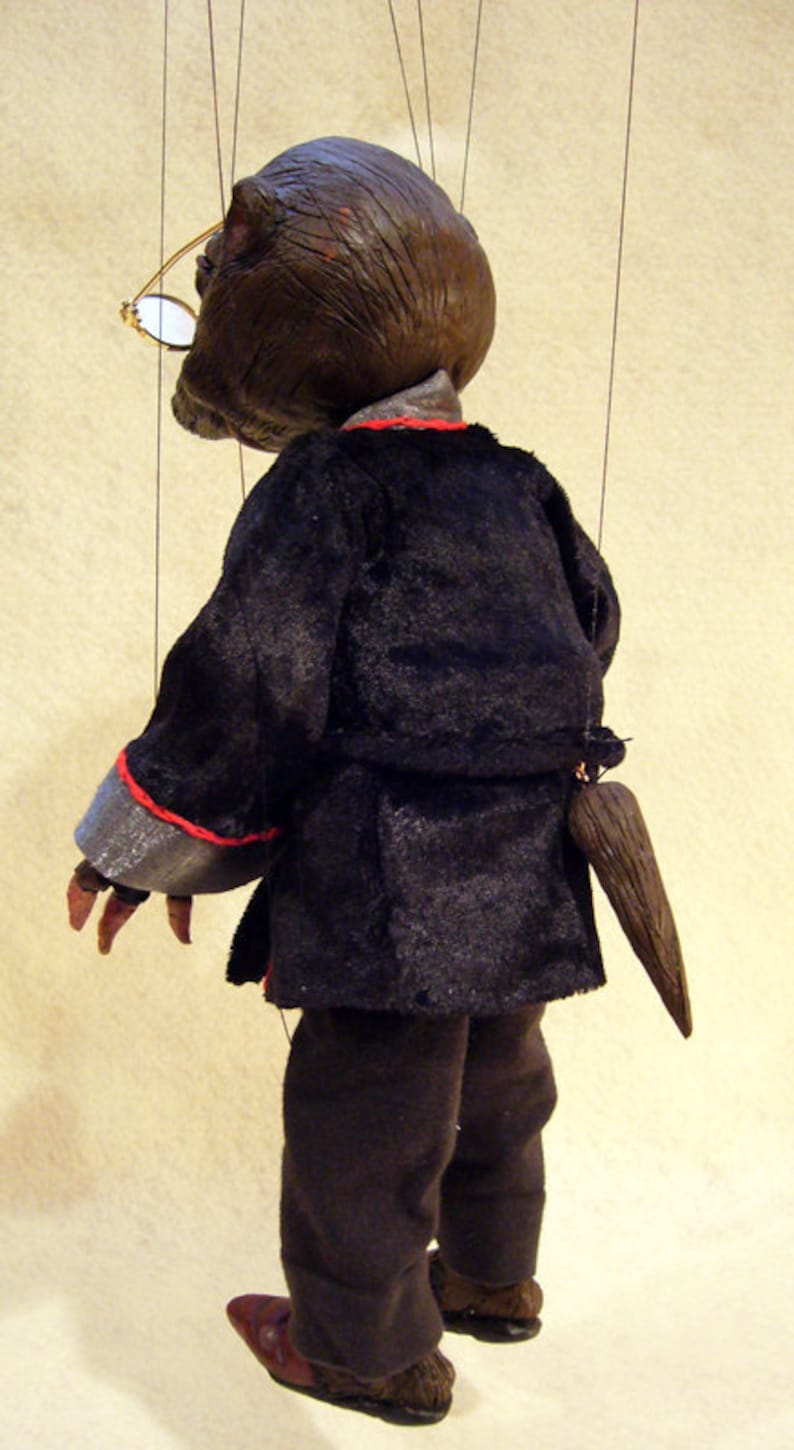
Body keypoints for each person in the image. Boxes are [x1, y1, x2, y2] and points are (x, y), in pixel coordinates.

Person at [69, 137, 623, 1425]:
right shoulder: (519, 479)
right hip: (528, 856)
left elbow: (249, 678)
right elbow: (592, 625)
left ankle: (367, 1350)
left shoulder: (326, 486)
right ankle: (492, 1279)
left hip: (390, 880)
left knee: (369, 1108)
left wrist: (141, 846)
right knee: (501, 1079)